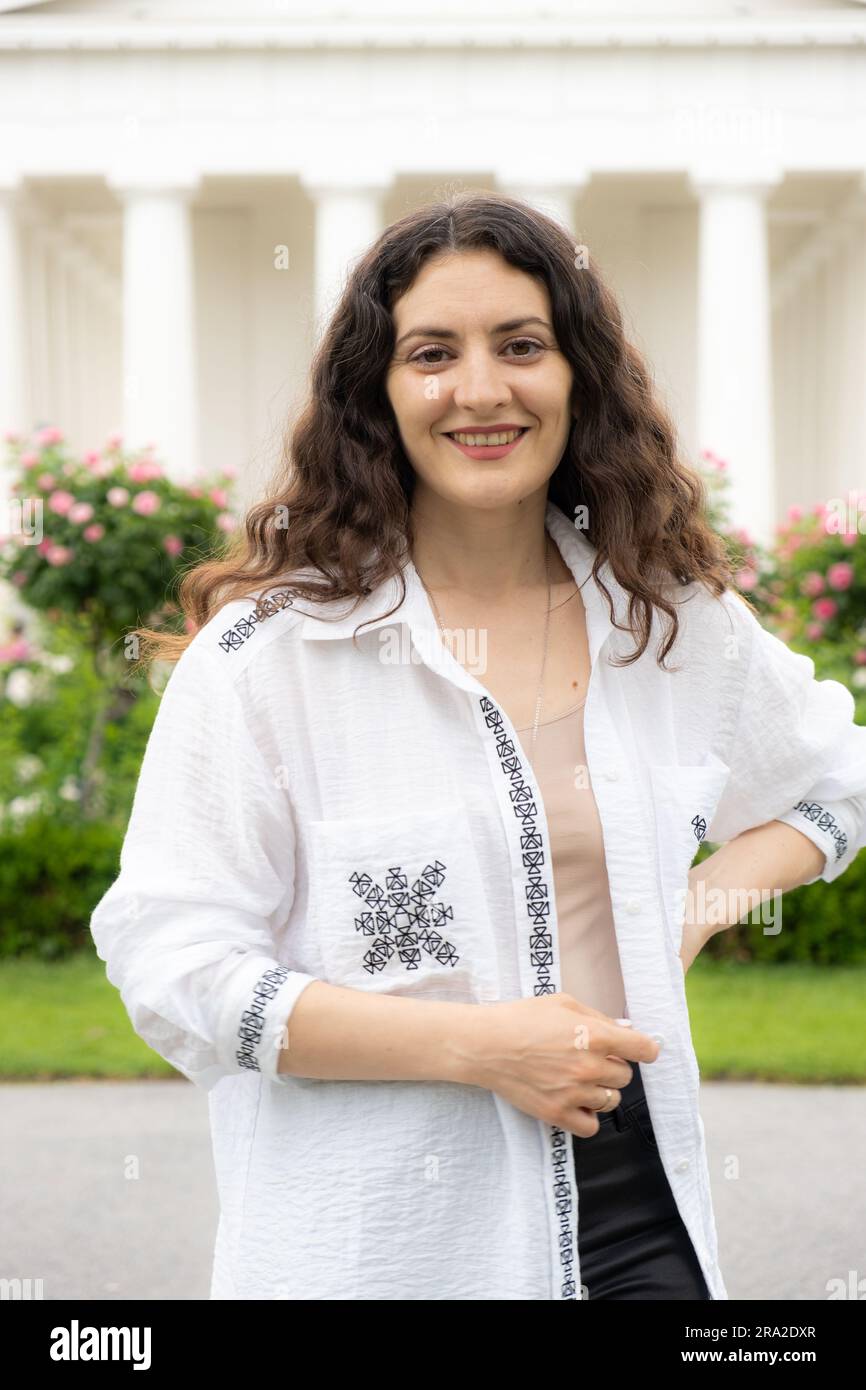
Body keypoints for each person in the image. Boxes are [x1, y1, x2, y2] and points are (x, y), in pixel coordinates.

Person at [90, 191, 866, 1301]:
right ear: (379, 392)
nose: (479, 389)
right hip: (382, 1240)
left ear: (575, 377)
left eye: (520, 345)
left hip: (642, 1211)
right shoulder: (273, 657)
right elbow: (173, 963)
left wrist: (680, 911)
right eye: (430, 353)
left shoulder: (669, 620)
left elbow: (837, 782)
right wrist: (478, 1047)